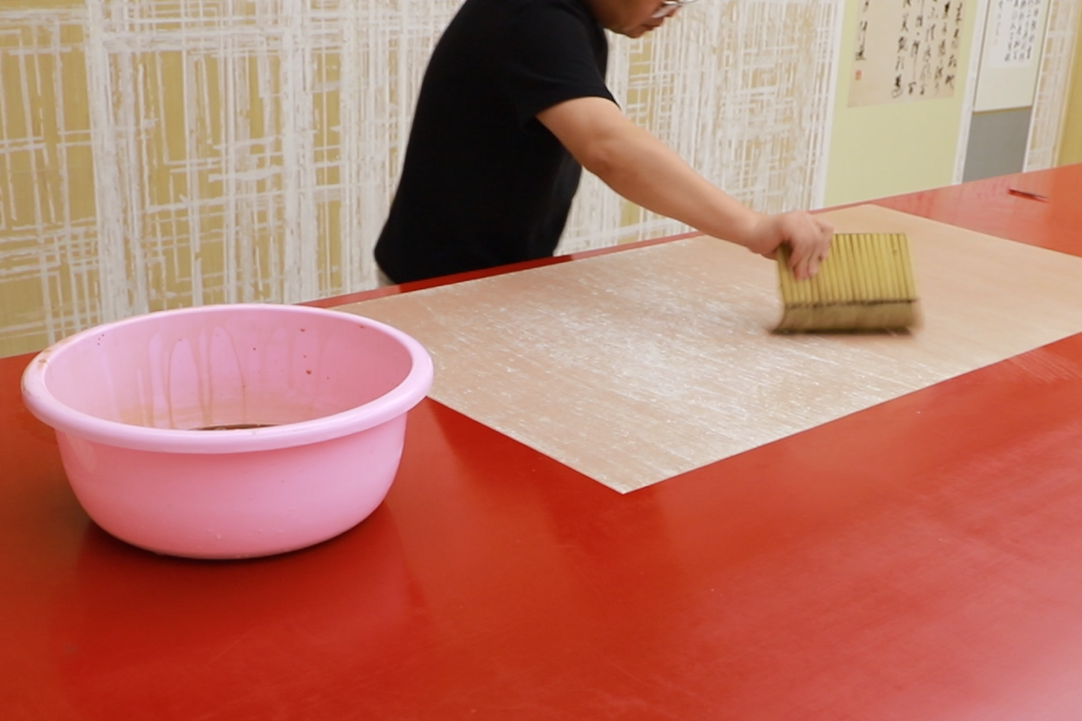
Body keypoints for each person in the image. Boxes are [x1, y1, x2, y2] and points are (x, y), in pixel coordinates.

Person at [374, 0, 833, 285]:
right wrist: (752, 227)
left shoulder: (569, 22)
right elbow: (608, 147)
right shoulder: (532, 17)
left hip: (487, 277)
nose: (670, 11)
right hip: (437, 288)